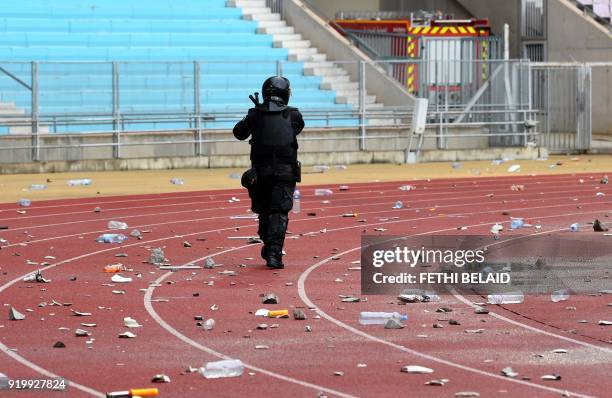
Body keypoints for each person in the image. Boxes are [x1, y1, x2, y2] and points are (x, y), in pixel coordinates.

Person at [233, 76, 304, 269]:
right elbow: (294, 130)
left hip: (261, 173)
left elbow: (239, 133)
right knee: (278, 212)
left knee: (266, 212)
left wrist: (254, 117)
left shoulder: (255, 114)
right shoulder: (294, 115)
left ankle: (271, 249)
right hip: (284, 172)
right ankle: (273, 253)